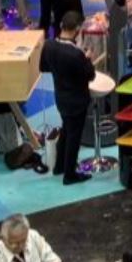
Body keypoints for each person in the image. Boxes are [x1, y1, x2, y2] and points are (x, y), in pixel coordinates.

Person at [38, 11, 97, 184]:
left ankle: (59, 166)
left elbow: (43, 67)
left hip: (61, 97)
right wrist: (87, 60)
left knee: (66, 130)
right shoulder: (76, 55)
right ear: (78, 29)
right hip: (77, 100)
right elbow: (90, 75)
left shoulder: (49, 45)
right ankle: (70, 174)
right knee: (74, 136)